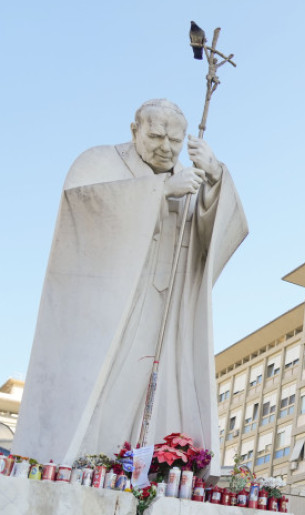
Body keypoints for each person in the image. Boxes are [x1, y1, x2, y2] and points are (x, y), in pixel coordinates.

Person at [15, 99, 247, 469]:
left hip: (165, 309)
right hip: (111, 306)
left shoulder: (188, 179)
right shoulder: (100, 163)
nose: (166, 147)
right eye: (155, 135)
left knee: (155, 392)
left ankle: (147, 467)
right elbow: (84, 210)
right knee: (107, 388)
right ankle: (87, 463)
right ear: (134, 130)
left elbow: (216, 237)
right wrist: (160, 192)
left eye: (175, 139)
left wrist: (216, 178)